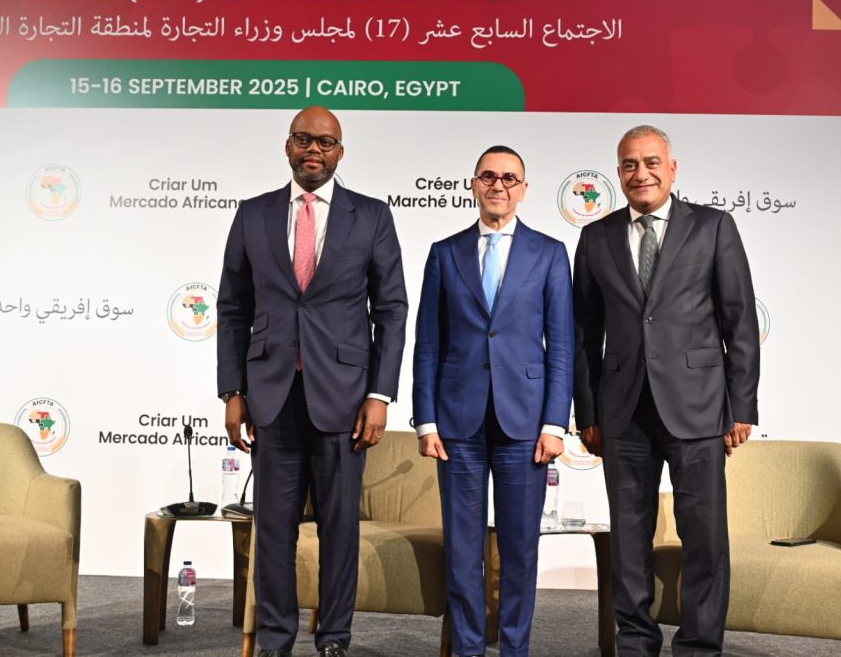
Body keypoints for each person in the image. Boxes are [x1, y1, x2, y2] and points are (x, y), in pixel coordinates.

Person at [217, 106, 407, 657]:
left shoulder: (371, 216)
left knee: (340, 528)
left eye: (325, 142)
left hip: (344, 398)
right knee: (273, 529)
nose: (314, 150)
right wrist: (233, 391)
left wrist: (379, 394)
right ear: (288, 146)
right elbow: (232, 308)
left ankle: (334, 638)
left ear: (340, 152)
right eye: (304, 139)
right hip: (270, 396)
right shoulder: (253, 214)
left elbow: (391, 309)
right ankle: (275, 640)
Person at [573, 125, 760, 656]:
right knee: (629, 541)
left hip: (699, 407)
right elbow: (583, 333)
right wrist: (588, 411)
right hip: (622, 412)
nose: (642, 173)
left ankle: (699, 647)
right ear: (618, 173)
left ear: (672, 169)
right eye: (630, 164)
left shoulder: (713, 227)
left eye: (652, 162)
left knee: (704, 538)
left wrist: (741, 406)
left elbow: (740, 322)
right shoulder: (596, 237)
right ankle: (636, 644)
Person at [412, 145, 574, 657]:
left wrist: (555, 423)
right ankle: (467, 649)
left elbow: (561, 345)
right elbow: (428, 343)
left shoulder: (550, 253)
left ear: (523, 189)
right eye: (488, 176)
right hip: (456, 424)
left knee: (520, 551)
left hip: (525, 424)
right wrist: (425, 420)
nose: (497, 185)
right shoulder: (444, 253)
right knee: (463, 552)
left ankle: (514, 650)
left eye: (508, 178)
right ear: (474, 185)